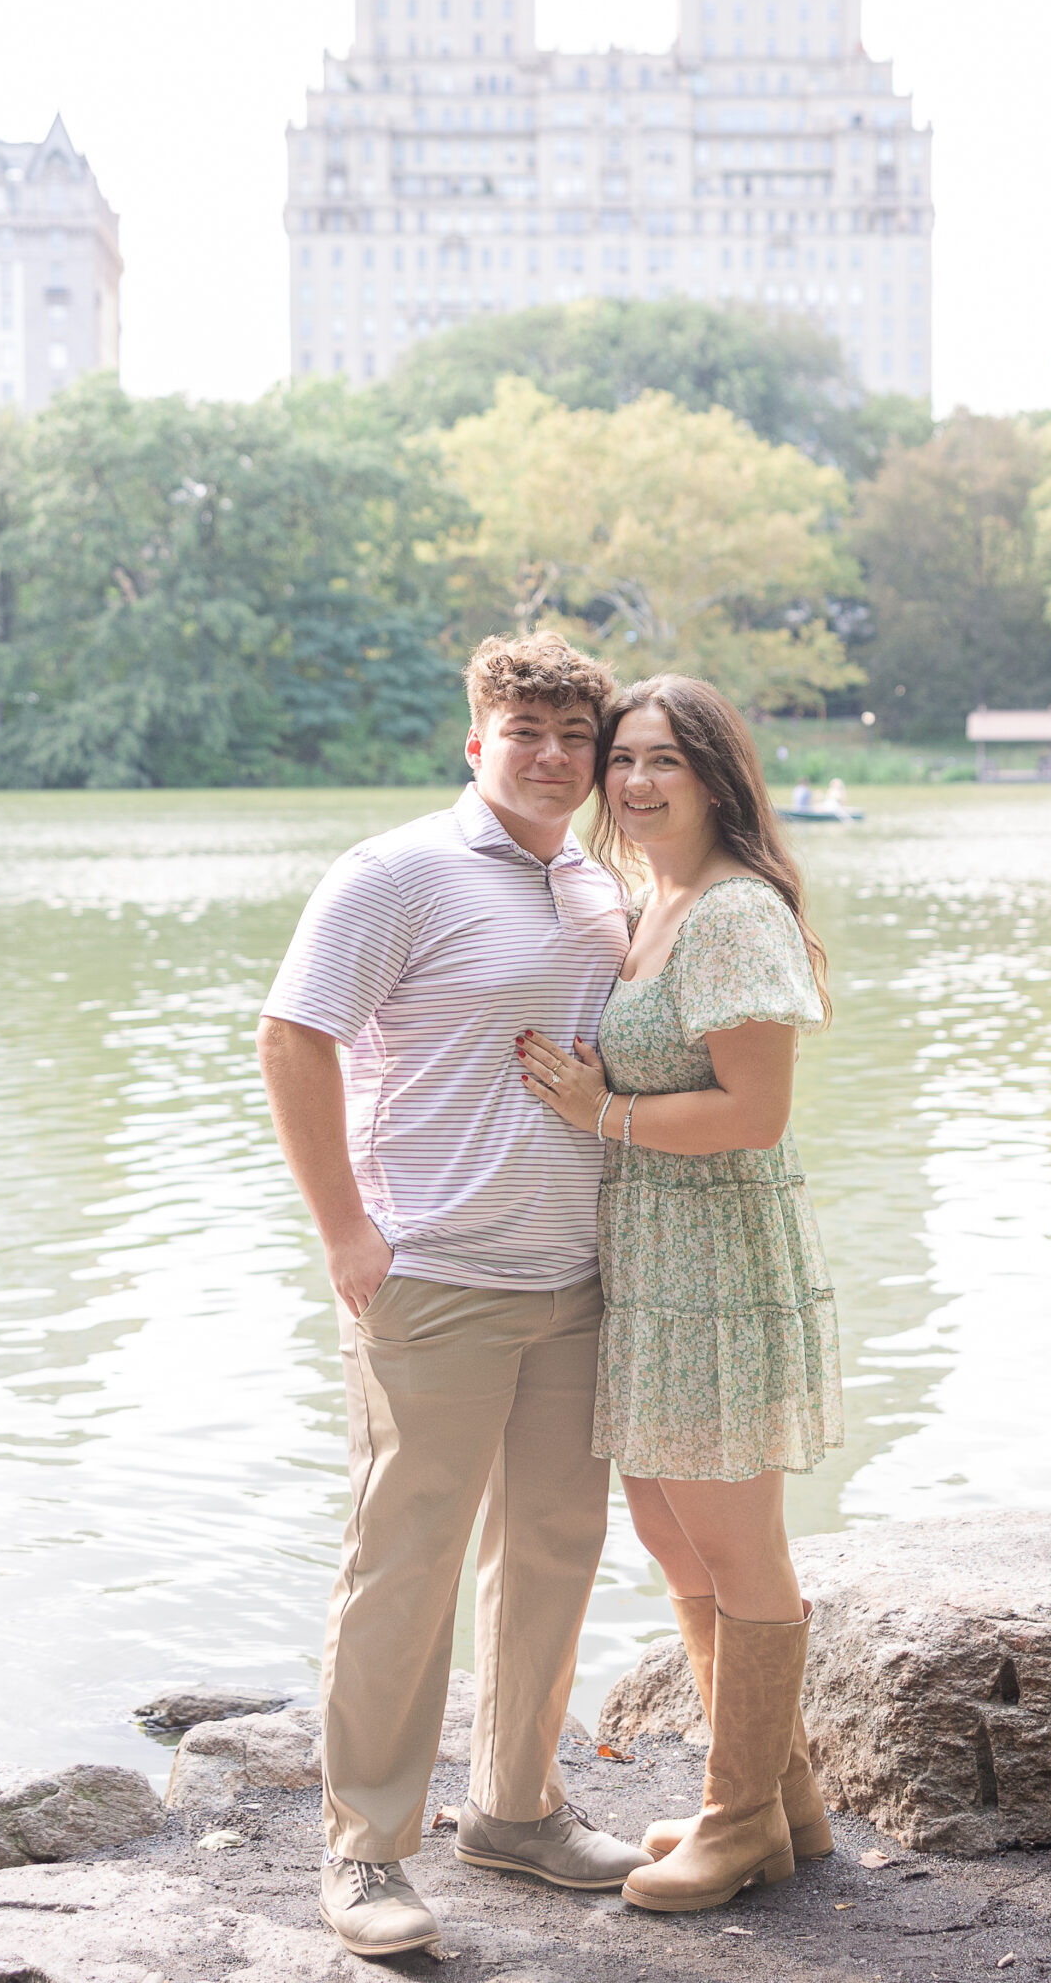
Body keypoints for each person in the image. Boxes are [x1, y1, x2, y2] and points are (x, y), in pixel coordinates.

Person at [257, 632, 650, 1960]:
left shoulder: (599, 885)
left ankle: (516, 1810)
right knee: (402, 1565)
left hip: (573, 1279)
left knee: (550, 1551)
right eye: (521, 732)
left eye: (571, 740)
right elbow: (291, 1037)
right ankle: (364, 1851)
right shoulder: (394, 873)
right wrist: (346, 1234)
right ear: (473, 739)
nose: (547, 758)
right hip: (429, 1277)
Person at [518, 673, 842, 1916]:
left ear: (717, 776)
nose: (636, 781)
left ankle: (737, 1821)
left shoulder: (735, 912)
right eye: (623, 760)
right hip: (651, 1256)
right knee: (669, 1531)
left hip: (716, 1259)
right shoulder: (655, 901)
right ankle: (785, 1802)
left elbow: (756, 1112)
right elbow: (679, 1063)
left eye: (665, 760)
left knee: (734, 1542)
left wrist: (600, 1107)